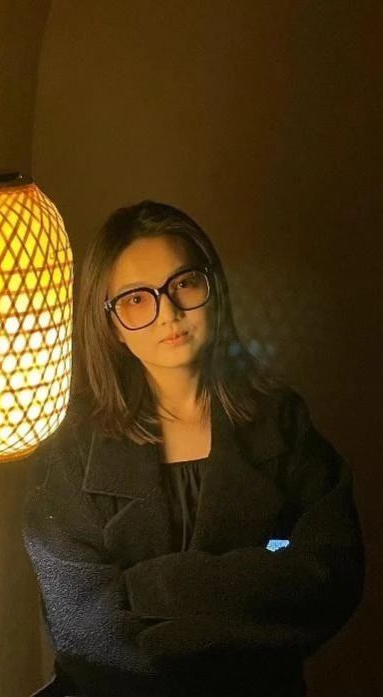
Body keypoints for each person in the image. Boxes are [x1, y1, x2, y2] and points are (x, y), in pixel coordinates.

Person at [22, 201, 365, 697]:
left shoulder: (281, 420)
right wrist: (250, 579)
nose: (169, 313)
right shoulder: (71, 446)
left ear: (212, 286)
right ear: (111, 325)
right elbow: (84, 631)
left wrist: (145, 586)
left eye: (183, 283)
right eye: (136, 299)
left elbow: (327, 576)